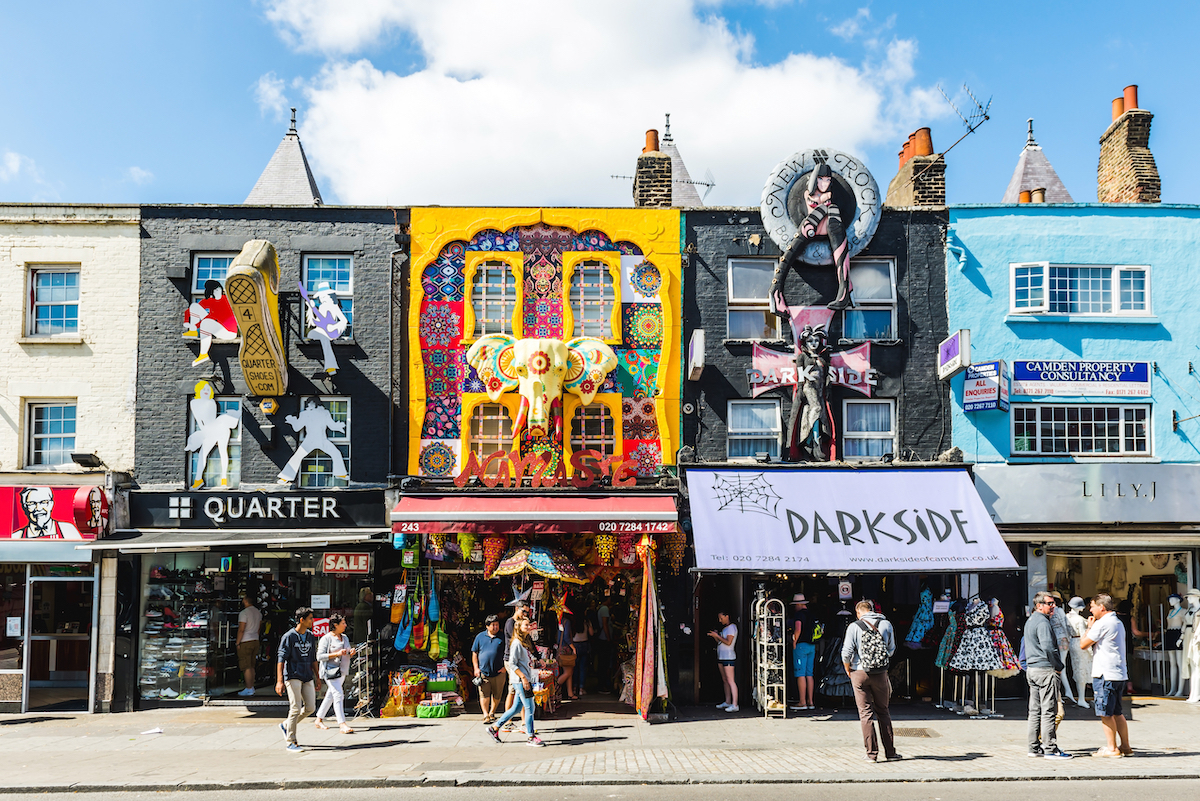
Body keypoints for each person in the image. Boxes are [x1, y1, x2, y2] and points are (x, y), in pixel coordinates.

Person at [841, 600, 900, 763]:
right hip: (880, 673)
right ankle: (891, 753)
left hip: (859, 672)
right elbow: (891, 649)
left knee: (865, 713)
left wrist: (848, 668)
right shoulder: (886, 624)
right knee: (883, 711)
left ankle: (871, 754)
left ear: (858, 612)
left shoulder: (854, 626)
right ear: (873, 610)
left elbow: (846, 652)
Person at [1080, 593, 1133, 757]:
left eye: (1092, 606)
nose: (1090, 609)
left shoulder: (1102, 623)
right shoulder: (1117, 621)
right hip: (1118, 673)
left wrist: (1089, 627)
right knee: (1117, 712)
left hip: (1105, 674)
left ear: (1101, 607)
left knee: (1105, 713)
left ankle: (1112, 748)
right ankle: (1125, 746)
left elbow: (1083, 644)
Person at [1024, 592, 1072, 759]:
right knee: (1048, 710)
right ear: (1039, 605)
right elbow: (1047, 646)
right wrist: (1058, 665)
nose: (1053, 606)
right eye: (1049, 603)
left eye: (1054, 603)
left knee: (1035, 710)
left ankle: (1033, 747)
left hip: (1033, 669)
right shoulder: (1043, 622)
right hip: (1045, 669)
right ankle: (1050, 748)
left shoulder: (1031, 620)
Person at [487, 618, 545, 747]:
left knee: (517, 707)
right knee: (530, 707)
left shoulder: (523, 643)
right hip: (520, 680)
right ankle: (531, 736)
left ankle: (495, 727)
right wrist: (524, 678)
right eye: (525, 625)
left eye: (529, 625)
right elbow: (512, 663)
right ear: (518, 627)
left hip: (522, 679)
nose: (528, 627)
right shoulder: (517, 643)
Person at [276, 606, 320, 753]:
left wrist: (318, 677)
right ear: (302, 620)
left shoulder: (310, 636)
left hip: (307, 675)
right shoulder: (289, 637)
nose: (312, 621)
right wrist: (280, 680)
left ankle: (286, 725)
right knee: (295, 708)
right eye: (310, 618)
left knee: (311, 708)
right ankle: (291, 741)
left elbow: (313, 657)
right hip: (293, 674)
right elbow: (281, 659)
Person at [315, 613, 355, 734]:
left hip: (342, 671)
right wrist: (336, 654)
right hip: (330, 671)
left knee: (330, 695)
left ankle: (318, 719)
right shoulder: (326, 638)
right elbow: (319, 656)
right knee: (338, 695)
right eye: (343, 623)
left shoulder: (345, 637)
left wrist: (350, 652)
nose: (345, 625)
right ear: (335, 625)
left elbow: (347, 651)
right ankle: (342, 723)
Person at [186, 280, 237, 367]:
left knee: (206, 323)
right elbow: (192, 310)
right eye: (215, 290)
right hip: (219, 330)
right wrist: (192, 324)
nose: (218, 292)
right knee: (194, 306)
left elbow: (212, 317)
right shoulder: (211, 301)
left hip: (229, 332)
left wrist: (199, 325)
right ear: (211, 292)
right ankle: (192, 331)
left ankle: (203, 354)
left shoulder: (226, 300)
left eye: (219, 289)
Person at [472, 614, 507, 724]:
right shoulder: (480, 637)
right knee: (484, 694)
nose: (495, 627)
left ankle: (492, 712)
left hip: (499, 671)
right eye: (493, 625)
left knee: (497, 694)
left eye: (497, 625)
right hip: (483, 671)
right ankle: (485, 715)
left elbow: (509, 652)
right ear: (487, 626)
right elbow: (474, 653)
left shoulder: (503, 637)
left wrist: (505, 667)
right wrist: (476, 668)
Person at [10, 487, 82, 539]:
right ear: (25, 507)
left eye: (44, 502)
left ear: (51, 504)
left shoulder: (67, 530)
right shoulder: (16, 537)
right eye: (32, 503)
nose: (38, 508)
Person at [501, 602, 530, 730]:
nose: (525, 615)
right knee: (513, 690)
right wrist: (523, 677)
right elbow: (512, 660)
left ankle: (523, 722)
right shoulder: (510, 624)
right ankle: (507, 722)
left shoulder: (522, 638)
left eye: (527, 613)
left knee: (519, 695)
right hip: (512, 661)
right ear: (517, 608)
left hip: (517, 661)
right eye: (523, 611)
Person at [790, 593, 817, 711]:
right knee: (809, 674)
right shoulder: (812, 614)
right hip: (812, 646)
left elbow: (798, 628)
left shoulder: (799, 614)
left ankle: (802, 702)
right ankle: (811, 701)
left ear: (799, 604)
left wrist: (794, 641)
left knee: (800, 674)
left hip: (801, 645)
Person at [709, 610, 739, 713]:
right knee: (725, 680)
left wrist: (718, 636)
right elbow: (721, 642)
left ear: (727, 616)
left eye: (721, 618)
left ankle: (734, 704)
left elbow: (728, 642)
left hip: (728, 657)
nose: (720, 620)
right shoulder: (725, 628)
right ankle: (727, 701)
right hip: (721, 656)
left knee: (730, 680)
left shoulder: (732, 628)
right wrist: (716, 636)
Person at [1066, 597, 1092, 709]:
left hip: (1071, 642)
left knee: (1077, 669)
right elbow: (1084, 636)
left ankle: (1081, 697)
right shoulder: (1080, 620)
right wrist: (1090, 651)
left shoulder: (1066, 617)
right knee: (1083, 669)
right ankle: (1081, 698)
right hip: (1079, 643)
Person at [236, 594, 262, 697]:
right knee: (252, 665)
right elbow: (259, 628)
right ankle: (251, 686)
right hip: (255, 639)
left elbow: (241, 629)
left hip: (246, 640)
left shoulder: (244, 613)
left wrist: (238, 642)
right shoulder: (258, 612)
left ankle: (249, 687)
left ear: (246, 601)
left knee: (246, 665)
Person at [556, 612, 578, 700]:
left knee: (569, 672)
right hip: (566, 649)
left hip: (561, 648)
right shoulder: (567, 622)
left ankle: (570, 693)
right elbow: (566, 637)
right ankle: (554, 687)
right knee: (568, 672)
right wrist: (573, 648)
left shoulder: (560, 621)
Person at [571, 605, 592, 696]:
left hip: (574, 646)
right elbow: (591, 633)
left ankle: (574, 688)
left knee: (575, 668)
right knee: (583, 668)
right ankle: (581, 688)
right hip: (584, 645)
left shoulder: (573, 622)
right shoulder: (587, 621)